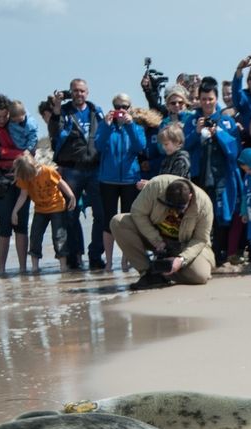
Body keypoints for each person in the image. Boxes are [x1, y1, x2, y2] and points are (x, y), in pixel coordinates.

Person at [109, 175, 215, 288]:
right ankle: (148, 272)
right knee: (118, 222)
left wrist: (182, 259)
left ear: (190, 197)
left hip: (184, 244)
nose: (175, 212)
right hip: (155, 237)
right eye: (171, 207)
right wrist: (156, 240)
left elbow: (200, 239)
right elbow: (137, 212)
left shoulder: (204, 204)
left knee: (200, 275)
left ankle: (164, 272)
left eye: (180, 209)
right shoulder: (155, 187)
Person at [48, 79, 105, 270]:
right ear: (70, 92)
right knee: (70, 215)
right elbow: (54, 134)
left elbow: (104, 135)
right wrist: (56, 109)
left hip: (94, 168)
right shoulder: (64, 112)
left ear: (87, 92)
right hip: (72, 168)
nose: (78, 94)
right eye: (75, 91)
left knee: (100, 214)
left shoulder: (96, 111)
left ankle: (96, 255)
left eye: (81, 91)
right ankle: (75, 256)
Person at [185, 78, 242, 266]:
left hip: (221, 177)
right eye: (203, 99)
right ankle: (201, 255)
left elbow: (234, 151)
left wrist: (218, 133)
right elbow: (184, 147)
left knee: (221, 217)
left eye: (210, 99)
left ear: (216, 99)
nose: (207, 103)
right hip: (198, 177)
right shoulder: (192, 120)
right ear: (199, 100)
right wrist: (197, 132)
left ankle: (220, 255)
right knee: (199, 217)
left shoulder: (226, 121)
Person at [96, 94, 146, 271]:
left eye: (125, 106)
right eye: (118, 106)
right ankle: (109, 262)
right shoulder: (106, 126)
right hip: (108, 180)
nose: (121, 110)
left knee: (127, 221)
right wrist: (107, 126)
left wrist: (130, 125)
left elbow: (140, 147)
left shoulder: (136, 127)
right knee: (108, 221)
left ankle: (126, 260)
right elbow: (98, 146)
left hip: (129, 179)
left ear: (130, 107)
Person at [0, 93, 30, 276]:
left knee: (21, 223)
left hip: (21, 176)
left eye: (5, 116)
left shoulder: (17, 123)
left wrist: (19, 153)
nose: (2, 120)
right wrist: (18, 153)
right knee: (4, 224)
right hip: (0, 179)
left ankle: (23, 268)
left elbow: (30, 145)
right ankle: (1, 269)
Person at [10, 152, 76, 274]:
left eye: (32, 175)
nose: (31, 179)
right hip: (40, 210)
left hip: (57, 207)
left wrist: (71, 196)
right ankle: (35, 266)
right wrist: (15, 211)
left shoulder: (48, 171)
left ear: (35, 166)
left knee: (59, 236)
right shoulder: (25, 176)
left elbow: (61, 183)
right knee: (35, 236)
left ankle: (63, 265)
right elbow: (23, 195)